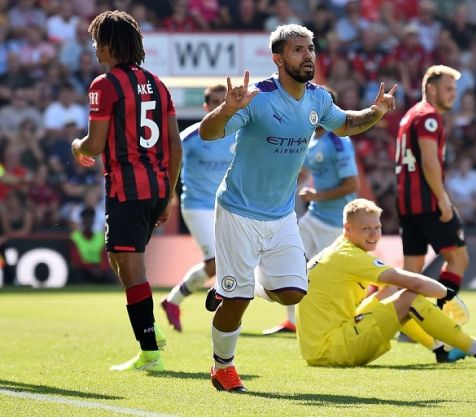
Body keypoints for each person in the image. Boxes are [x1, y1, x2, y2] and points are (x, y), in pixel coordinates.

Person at [198, 24, 398, 392]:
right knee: (239, 300)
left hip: (281, 213)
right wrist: (226, 110)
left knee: (293, 292)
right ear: (278, 58)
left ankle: (231, 287)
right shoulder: (257, 97)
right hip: (238, 210)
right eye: (297, 50)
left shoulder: (318, 99)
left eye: (311, 49)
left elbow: (347, 124)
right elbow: (208, 134)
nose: (308, 56)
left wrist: (376, 111)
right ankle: (222, 367)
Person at [71, 10, 182, 372]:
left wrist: (77, 146)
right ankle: (150, 331)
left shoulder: (104, 85)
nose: (93, 48)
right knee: (121, 257)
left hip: (127, 189)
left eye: (96, 41)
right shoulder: (158, 84)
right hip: (156, 187)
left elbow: (96, 144)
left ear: (109, 44)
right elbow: (175, 145)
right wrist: (167, 196)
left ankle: (150, 351)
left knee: (130, 267)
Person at [296, 198, 476, 368]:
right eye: (366, 229)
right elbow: (413, 282)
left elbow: (393, 287)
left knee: (392, 295)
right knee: (410, 296)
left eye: (377, 227)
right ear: (347, 229)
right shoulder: (350, 257)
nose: (374, 234)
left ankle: (441, 348)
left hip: (318, 349)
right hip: (333, 348)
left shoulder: (338, 250)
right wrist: (447, 294)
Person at [264, 87, 359, 335]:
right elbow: (304, 173)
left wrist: (318, 194)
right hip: (315, 216)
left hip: (337, 222)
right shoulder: (311, 138)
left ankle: (356, 317)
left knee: (341, 277)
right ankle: (292, 321)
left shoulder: (340, 142)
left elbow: (352, 185)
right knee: (290, 261)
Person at [393, 65, 471, 330]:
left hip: (407, 205)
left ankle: (383, 325)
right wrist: (443, 199)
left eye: (455, 90)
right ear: (431, 88)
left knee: (411, 277)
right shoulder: (429, 116)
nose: (453, 95)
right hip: (428, 203)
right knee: (458, 259)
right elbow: (429, 162)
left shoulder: (409, 115)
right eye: (449, 89)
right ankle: (443, 327)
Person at [161, 85, 235, 332]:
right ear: (206, 107)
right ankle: (218, 301)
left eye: (222, 101)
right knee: (215, 263)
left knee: (222, 263)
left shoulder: (237, 134)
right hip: (197, 206)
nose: (219, 105)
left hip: (226, 207)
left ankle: (173, 301)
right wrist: (167, 197)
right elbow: (169, 162)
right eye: (214, 101)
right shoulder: (192, 137)